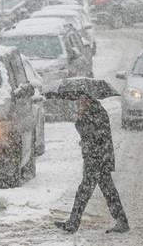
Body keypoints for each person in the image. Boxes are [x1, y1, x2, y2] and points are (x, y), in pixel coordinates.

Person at [54, 92, 129, 234]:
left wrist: (81, 120)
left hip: (97, 159)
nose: (80, 103)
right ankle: (121, 220)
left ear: (89, 99)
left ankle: (73, 222)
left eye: (82, 100)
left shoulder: (96, 112)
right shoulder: (93, 111)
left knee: (85, 191)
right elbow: (88, 134)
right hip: (97, 158)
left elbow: (93, 135)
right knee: (107, 190)